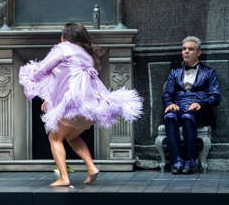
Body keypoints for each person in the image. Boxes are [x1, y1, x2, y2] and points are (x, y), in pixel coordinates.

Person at [19, 23, 143, 186]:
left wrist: (30, 78)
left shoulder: (62, 48)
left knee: (54, 138)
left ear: (63, 38)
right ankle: (91, 167)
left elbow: (42, 71)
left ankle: (64, 177)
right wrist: (47, 99)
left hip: (73, 105)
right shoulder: (85, 54)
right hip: (89, 109)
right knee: (72, 136)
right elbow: (63, 79)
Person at [163, 36, 221, 174]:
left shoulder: (209, 72)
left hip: (199, 109)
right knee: (170, 116)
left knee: (188, 117)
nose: (186, 52)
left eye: (190, 49)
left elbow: (216, 96)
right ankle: (177, 160)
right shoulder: (174, 73)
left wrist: (201, 103)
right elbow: (167, 93)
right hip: (179, 106)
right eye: (184, 49)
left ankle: (190, 160)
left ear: (199, 52)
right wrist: (170, 103)